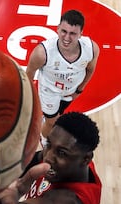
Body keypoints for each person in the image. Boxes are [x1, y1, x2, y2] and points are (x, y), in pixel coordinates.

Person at [26, 10, 100, 143]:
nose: (66, 37)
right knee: (51, 122)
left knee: (58, 113)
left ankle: (48, 119)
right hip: (50, 92)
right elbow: (29, 75)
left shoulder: (91, 48)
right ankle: (45, 140)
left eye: (73, 33)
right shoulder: (42, 53)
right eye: (63, 31)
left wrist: (80, 89)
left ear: (81, 34)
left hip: (71, 90)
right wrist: (30, 98)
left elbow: (90, 69)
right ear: (58, 29)